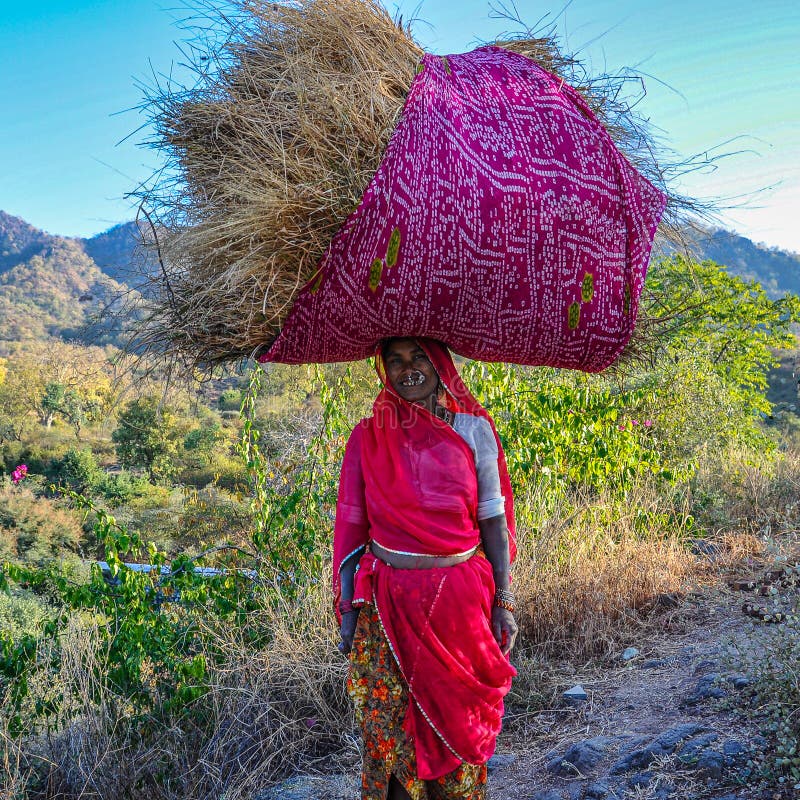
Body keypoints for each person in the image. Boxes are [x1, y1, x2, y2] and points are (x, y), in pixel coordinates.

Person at [333, 337, 519, 800]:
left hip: (457, 607)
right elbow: (351, 528)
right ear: (383, 371)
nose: (407, 369)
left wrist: (503, 600)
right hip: (386, 607)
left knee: (454, 740)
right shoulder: (367, 436)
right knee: (389, 744)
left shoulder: (474, 431)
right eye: (394, 361)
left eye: (418, 357)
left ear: (439, 366)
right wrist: (348, 610)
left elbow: (493, 520)